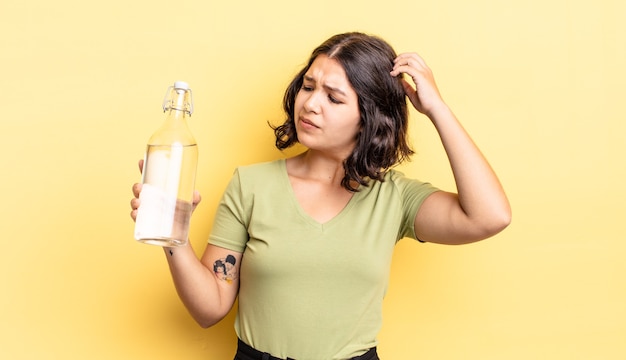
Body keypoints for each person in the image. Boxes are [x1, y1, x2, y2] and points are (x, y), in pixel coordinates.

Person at [130, 32, 511, 360]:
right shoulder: (251, 185)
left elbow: (490, 216)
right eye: (308, 87)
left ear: (370, 116)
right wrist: (173, 236)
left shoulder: (394, 198)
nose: (310, 104)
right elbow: (210, 308)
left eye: (334, 97)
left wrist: (436, 109)